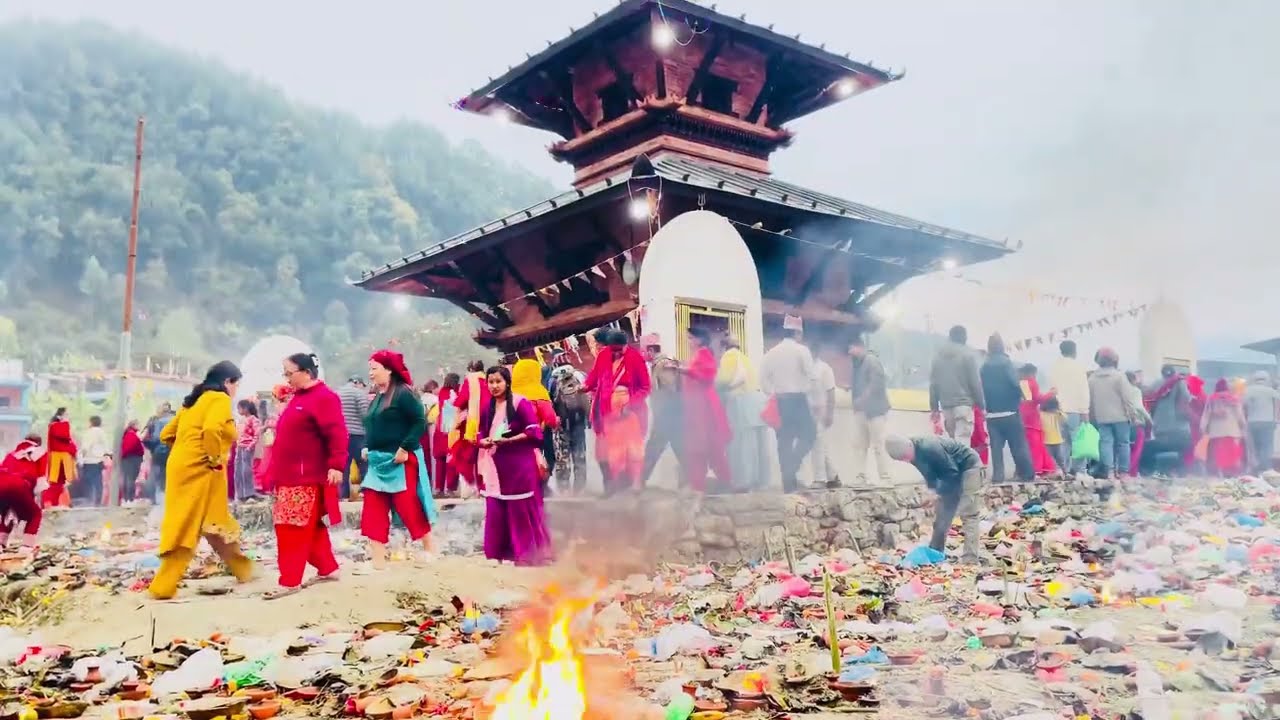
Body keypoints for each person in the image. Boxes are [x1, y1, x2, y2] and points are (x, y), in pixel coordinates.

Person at [149, 361, 255, 600]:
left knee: (214, 522)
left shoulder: (192, 401)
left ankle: (244, 570)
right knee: (187, 524)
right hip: (204, 469)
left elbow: (167, 435)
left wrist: (187, 450)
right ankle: (162, 586)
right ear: (228, 382)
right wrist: (212, 457)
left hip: (182, 466)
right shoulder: (219, 399)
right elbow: (210, 429)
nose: (236, 390)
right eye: (236, 384)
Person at [264, 352, 346, 599]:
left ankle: (289, 580)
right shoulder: (299, 397)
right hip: (289, 475)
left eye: (290, 373)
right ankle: (328, 568)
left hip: (305, 477)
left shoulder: (324, 398)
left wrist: (336, 465)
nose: (287, 379)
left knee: (291, 528)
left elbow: (337, 432)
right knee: (310, 526)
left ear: (306, 372)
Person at [362, 350, 437, 567]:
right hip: (378, 463)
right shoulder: (378, 396)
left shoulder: (404, 393)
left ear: (389, 370)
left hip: (400, 461)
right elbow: (374, 424)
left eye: (374, 368)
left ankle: (430, 549)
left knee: (409, 507)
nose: (371, 373)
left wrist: (405, 448)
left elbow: (419, 421)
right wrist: (368, 446)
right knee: (372, 510)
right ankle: (377, 560)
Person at [477, 365, 553, 565]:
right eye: (491, 382)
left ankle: (526, 556)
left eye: (498, 381)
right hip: (494, 467)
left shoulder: (521, 403)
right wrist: (482, 441)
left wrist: (509, 441)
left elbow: (534, 432)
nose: (494, 386)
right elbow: (479, 433)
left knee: (520, 512)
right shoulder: (487, 407)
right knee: (495, 512)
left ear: (507, 382)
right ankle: (496, 555)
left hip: (519, 467)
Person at [884, 434, 985, 564]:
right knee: (942, 514)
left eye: (906, 456)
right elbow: (929, 474)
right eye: (903, 460)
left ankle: (970, 559)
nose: (907, 460)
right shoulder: (913, 454)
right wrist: (931, 491)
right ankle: (935, 552)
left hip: (969, 466)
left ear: (909, 445)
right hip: (951, 473)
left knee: (969, 513)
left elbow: (951, 472)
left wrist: (939, 493)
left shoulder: (929, 446)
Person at [584, 329, 651, 494]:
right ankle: (613, 487)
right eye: (612, 350)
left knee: (630, 451)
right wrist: (585, 386)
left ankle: (631, 486)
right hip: (606, 410)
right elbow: (594, 377)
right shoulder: (603, 355)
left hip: (629, 413)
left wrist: (630, 405)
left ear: (625, 345)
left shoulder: (635, 358)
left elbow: (645, 387)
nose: (615, 354)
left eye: (618, 350)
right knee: (608, 451)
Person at [760, 315, 817, 492]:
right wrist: (807, 392)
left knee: (784, 442)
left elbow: (763, 380)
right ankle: (793, 464)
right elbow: (812, 376)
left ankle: (788, 485)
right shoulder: (802, 350)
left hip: (780, 400)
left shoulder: (771, 353)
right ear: (797, 333)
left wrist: (773, 392)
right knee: (809, 435)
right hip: (798, 400)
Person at [679, 327, 732, 492]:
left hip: (705, 408)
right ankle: (699, 486)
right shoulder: (697, 355)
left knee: (710, 447)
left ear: (700, 339)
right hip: (696, 407)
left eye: (690, 338)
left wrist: (685, 370)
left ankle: (723, 483)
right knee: (698, 449)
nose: (688, 342)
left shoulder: (704, 353)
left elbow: (708, 375)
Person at [716, 334, 767, 490]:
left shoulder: (729, 356)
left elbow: (723, 380)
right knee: (758, 446)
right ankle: (760, 482)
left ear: (723, 346)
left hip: (741, 402)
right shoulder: (744, 357)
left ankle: (743, 483)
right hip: (757, 402)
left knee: (742, 443)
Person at [979, 334, 1033, 482]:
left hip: (992, 414)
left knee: (996, 449)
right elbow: (1015, 384)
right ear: (1002, 346)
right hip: (1010, 412)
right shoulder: (1006, 363)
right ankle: (1027, 474)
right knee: (1018, 445)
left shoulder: (984, 366)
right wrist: (1020, 396)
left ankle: (998, 476)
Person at [848, 335, 892, 483]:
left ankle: (885, 477)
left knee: (879, 445)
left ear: (860, 346)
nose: (850, 352)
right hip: (861, 411)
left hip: (875, 411)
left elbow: (876, 383)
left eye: (851, 348)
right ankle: (860, 476)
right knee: (859, 445)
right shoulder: (856, 363)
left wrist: (862, 399)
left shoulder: (871, 361)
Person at [929, 325, 985, 441]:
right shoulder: (968, 355)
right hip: (963, 405)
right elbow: (975, 383)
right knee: (963, 442)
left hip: (946, 405)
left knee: (953, 442)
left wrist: (934, 407)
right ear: (964, 337)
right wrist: (981, 405)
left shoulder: (938, 357)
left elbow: (933, 384)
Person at [510, 358, 559, 490]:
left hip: (514, 436)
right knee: (545, 458)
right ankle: (541, 485)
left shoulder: (510, 393)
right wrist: (555, 422)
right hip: (537, 434)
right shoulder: (539, 391)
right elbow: (549, 416)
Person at [640, 338, 683, 486]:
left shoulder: (663, 363)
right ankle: (692, 482)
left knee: (653, 449)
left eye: (644, 350)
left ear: (651, 351)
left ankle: (638, 482)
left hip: (668, 415)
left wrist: (667, 412)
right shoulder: (661, 363)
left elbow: (672, 387)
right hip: (668, 414)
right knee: (679, 450)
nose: (642, 353)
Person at [1087, 348, 1134, 478]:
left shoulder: (1092, 378)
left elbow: (1089, 401)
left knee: (1105, 443)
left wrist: (1092, 418)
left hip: (1102, 417)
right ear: (1114, 361)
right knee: (1123, 443)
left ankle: (1110, 472)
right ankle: (1124, 472)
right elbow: (1127, 398)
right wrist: (1132, 415)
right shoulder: (1119, 376)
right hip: (1121, 417)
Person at [1048, 340, 1090, 473]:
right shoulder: (1078, 367)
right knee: (1078, 441)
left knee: (1063, 442)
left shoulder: (1055, 367)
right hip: (1074, 410)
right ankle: (1080, 471)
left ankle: (1064, 469)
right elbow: (1083, 389)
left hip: (1059, 410)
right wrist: (1085, 410)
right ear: (1074, 351)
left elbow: (1052, 389)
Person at [1142, 366, 1193, 475]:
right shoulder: (1180, 382)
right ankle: (1180, 472)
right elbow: (1187, 399)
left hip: (1159, 427)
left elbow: (1147, 396)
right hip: (1179, 428)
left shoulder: (1155, 384)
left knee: (1157, 449)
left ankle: (1158, 472)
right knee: (1182, 449)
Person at [549, 357, 590, 494]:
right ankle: (580, 490)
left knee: (562, 460)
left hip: (560, 426)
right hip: (577, 423)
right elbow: (586, 401)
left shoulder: (553, 381)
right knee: (579, 457)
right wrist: (589, 419)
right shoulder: (579, 377)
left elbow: (550, 402)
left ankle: (563, 490)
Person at [0, 434, 46, 550]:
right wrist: (38, 502)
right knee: (35, 514)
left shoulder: (11, 454)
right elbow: (40, 482)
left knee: (8, 513)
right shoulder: (40, 453)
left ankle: (1, 544)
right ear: (39, 444)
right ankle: (26, 548)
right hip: (18, 485)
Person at [452, 360, 491, 490]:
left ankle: (480, 486)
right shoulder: (489, 378)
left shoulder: (470, 380)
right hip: (491, 418)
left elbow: (461, 400)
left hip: (475, 421)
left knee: (473, 454)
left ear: (470, 369)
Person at [807, 339, 839, 488]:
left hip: (821, 412)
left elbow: (831, 392)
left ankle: (819, 479)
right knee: (818, 445)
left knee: (818, 446)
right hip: (808, 413)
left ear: (816, 352)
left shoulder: (824, 369)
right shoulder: (805, 368)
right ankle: (833, 476)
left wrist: (829, 413)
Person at [1017, 363, 1058, 477]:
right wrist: (1051, 393)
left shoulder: (1023, 383)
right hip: (1032, 419)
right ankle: (1037, 469)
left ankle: (1041, 468)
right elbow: (1037, 399)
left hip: (1023, 418)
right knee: (1036, 446)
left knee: (1032, 445)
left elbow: (1028, 400)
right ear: (1032, 373)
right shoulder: (1031, 382)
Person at [1202, 378, 1247, 476]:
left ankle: (1220, 474)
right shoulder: (1234, 399)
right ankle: (1235, 476)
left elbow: (1206, 415)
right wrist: (1243, 426)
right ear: (1227, 388)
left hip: (1216, 432)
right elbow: (1240, 415)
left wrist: (1203, 428)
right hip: (1233, 431)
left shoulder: (1211, 398)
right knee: (1233, 454)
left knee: (1219, 455)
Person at [338, 376, 370, 501]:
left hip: (342, 435)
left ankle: (343, 495)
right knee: (363, 463)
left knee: (344, 465)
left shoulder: (338, 393)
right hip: (358, 434)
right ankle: (367, 491)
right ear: (358, 383)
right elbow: (365, 414)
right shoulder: (359, 393)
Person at [1243, 371, 1279, 473]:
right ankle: (1266, 469)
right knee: (1267, 446)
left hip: (1252, 422)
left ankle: (1255, 469)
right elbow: (1277, 406)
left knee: (1254, 446)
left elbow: (1243, 406)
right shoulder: (1271, 391)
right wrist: (1275, 420)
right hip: (1267, 422)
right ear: (1266, 379)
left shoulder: (1248, 391)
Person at [433, 373, 462, 496]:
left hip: (440, 429)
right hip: (452, 430)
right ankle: (450, 488)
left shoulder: (441, 392)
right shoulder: (456, 392)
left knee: (440, 461)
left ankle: (439, 488)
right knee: (451, 461)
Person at [142, 403, 175, 504]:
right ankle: (170, 500)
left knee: (155, 475)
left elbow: (156, 437)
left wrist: (148, 444)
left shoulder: (159, 421)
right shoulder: (176, 420)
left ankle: (154, 500)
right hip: (173, 452)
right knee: (170, 476)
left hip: (160, 452)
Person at [44, 408, 76, 507]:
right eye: (66, 414)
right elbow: (65, 436)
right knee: (55, 482)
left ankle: (55, 503)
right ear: (59, 416)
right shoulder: (55, 426)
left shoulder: (59, 426)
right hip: (58, 456)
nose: (68, 417)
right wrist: (66, 423)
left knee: (61, 483)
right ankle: (50, 503)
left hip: (63, 456)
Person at [1125, 371, 1152, 477]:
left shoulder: (1120, 391)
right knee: (1137, 450)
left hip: (1124, 423)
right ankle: (1131, 473)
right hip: (1137, 423)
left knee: (1126, 449)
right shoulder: (1135, 391)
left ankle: (1127, 472)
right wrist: (1149, 419)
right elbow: (1139, 407)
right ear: (1133, 380)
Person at [233, 400, 261, 501]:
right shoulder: (241, 420)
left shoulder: (253, 419)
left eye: (239, 408)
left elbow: (257, 434)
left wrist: (250, 446)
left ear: (245, 408)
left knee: (246, 471)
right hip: (239, 447)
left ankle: (248, 493)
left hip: (247, 447)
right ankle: (241, 494)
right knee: (238, 471)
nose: (238, 411)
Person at [78, 415, 109, 506]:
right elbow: (106, 448)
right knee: (98, 482)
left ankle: (90, 501)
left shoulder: (90, 432)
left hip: (89, 460)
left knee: (89, 482)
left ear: (91, 422)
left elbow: (85, 447)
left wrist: (80, 458)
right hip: (99, 460)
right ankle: (98, 502)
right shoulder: (102, 433)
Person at [117, 421, 145, 503]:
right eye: (138, 424)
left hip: (127, 458)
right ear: (134, 425)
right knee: (130, 479)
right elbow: (129, 447)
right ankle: (129, 498)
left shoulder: (127, 434)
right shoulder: (131, 434)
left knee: (127, 478)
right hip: (132, 459)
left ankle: (126, 498)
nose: (140, 426)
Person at [1041, 397, 1068, 472]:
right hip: (1046, 441)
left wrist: (1059, 411)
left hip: (1057, 440)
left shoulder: (1056, 414)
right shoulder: (1041, 414)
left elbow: (1065, 418)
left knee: (1060, 458)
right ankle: (1054, 471)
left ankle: (1064, 471)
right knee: (1050, 458)